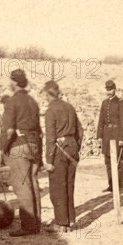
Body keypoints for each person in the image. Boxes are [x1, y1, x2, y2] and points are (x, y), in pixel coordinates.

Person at [0, 69, 42, 236]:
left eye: (10, 80)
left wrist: (1, 152)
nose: (9, 83)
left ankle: (28, 226)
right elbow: (39, 131)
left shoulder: (12, 101)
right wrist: (39, 156)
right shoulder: (33, 101)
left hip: (19, 146)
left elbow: (9, 131)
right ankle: (36, 223)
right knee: (33, 183)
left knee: (22, 186)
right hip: (34, 144)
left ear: (15, 82)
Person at [42, 80, 84, 233]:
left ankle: (61, 223)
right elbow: (80, 131)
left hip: (59, 151)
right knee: (69, 185)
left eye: (45, 95)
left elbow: (50, 138)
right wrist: (74, 145)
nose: (45, 98)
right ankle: (71, 220)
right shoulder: (70, 107)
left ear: (48, 94)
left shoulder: (50, 111)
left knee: (57, 187)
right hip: (72, 149)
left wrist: (48, 160)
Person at [96, 80, 123, 192]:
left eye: (110, 89)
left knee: (118, 161)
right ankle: (111, 185)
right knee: (108, 161)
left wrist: (121, 138)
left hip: (116, 135)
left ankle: (119, 186)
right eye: (107, 90)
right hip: (106, 135)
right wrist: (99, 136)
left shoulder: (121, 103)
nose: (109, 92)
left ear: (115, 89)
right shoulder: (104, 103)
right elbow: (101, 120)